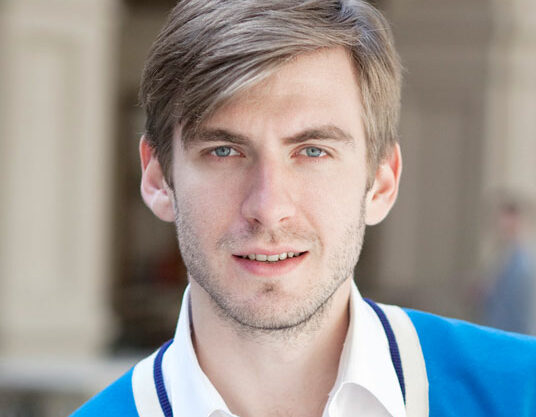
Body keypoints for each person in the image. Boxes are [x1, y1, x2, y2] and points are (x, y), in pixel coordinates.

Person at [71, 1, 536, 416]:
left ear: (381, 181)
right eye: (223, 151)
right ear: (157, 178)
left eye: (313, 151)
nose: (269, 208)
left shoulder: (522, 393)